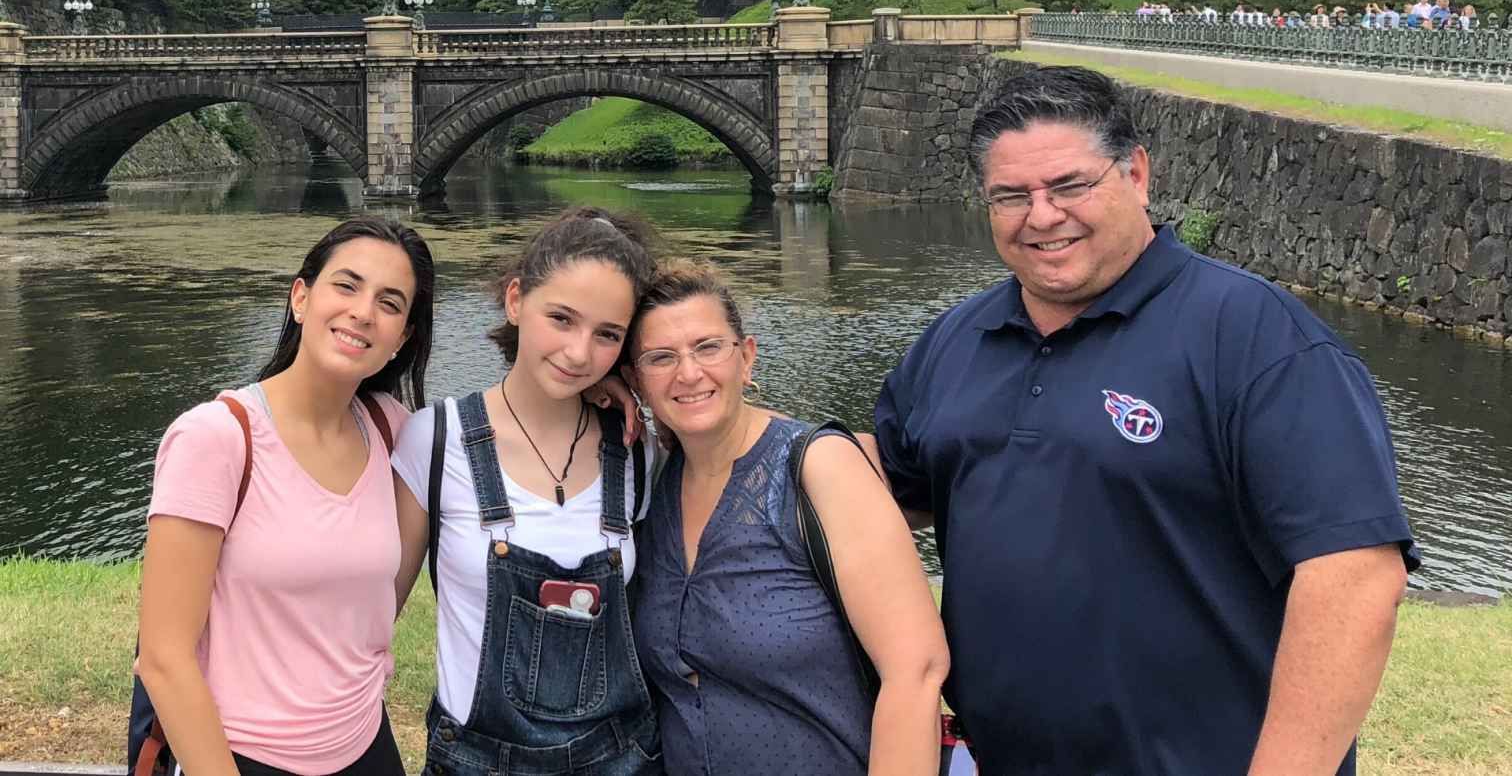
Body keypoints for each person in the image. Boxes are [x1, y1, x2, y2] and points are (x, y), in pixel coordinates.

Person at [869, 66, 1418, 776]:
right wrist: (714, 430)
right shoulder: (955, 339)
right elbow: (884, 483)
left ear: (1135, 173)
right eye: (1011, 196)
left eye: (1070, 186)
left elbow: (1354, 576)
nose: (1041, 216)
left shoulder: (1257, 337)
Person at [624, 259, 950, 776]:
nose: (689, 373)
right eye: (661, 358)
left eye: (709, 347)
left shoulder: (817, 467)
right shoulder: (653, 482)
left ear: (746, 358)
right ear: (635, 379)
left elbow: (916, 670)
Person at [138, 217, 436, 776]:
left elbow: (503, 434)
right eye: (346, 286)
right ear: (301, 298)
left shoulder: (395, 430)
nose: (363, 311)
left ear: (403, 339)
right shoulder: (216, 438)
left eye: (390, 303)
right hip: (243, 755)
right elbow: (163, 658)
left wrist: (601, 392)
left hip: (367, 746)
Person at [389, 207, 663, 776]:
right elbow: (371, 617)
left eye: (607, 335)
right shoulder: (435, 441)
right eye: (561, 318)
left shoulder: (640, 449)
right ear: (516, 301)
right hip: (474, 758)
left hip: (621, 757)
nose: (579, 353)